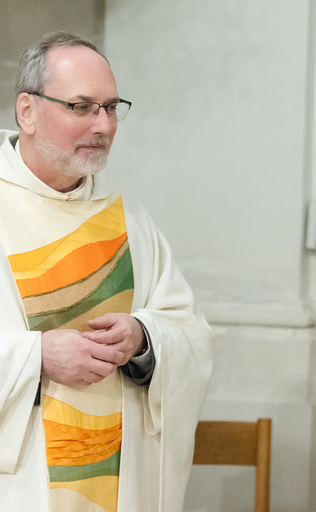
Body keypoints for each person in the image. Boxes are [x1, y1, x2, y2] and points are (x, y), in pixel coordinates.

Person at [0, 32, 213, 511]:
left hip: (118, 479)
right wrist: (36, 357)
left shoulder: (128, 217)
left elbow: (191, 335)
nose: (103, 125)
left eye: (111, 107)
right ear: (27, 111)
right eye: (82, 107)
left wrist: (143, 338)